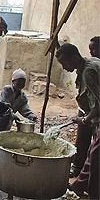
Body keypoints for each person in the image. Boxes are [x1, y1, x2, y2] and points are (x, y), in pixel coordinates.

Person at [55, 43, 100, 199]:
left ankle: (93, 194)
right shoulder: (90, 62)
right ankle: (79, 186)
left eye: (65, 63)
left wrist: (84, 120)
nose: (64, 67)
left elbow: (98, 106)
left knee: (95, 159)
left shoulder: (89, 72)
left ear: (74, 58)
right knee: (93, 153)